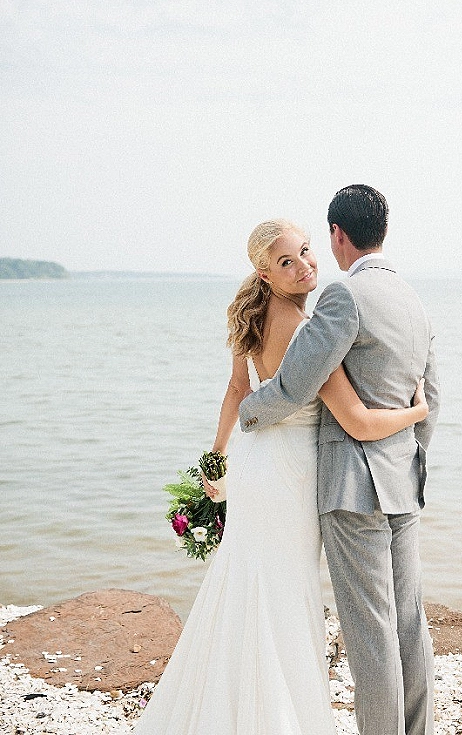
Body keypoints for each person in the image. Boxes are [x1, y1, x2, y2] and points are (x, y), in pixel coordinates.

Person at [132, 218, 430, 735]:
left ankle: (227, 702)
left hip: (254, 464)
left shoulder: (251, 321)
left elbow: (236, 391)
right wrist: (416, 414)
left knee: (247, 578)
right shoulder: (308, 331)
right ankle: (277, 713)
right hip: (293, 473)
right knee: (287, 589)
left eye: (306, 252)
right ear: (265, 274)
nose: (304, 266)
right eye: (286, 262)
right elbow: (357, 420)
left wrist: (217, 458)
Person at [239, 187, 440, 735]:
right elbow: (432, 401)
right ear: (383, 230)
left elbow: (296, 385)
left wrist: (248, 414)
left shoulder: (342, 297)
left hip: (353, 489)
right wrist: (410, 461)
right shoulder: (413, 300)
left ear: (337, 234)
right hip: (404, 481)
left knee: (371, 636)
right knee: (409, 625)